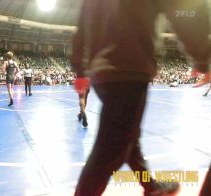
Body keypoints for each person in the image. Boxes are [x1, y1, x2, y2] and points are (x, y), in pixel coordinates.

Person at [71, 0, 210, 195]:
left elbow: (82, 24)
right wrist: (203, 57)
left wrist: (79, 68)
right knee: (111, 149)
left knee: (129, 138)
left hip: (101, 72)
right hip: (129, 67)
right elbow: (185, 6)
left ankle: (151, 186)